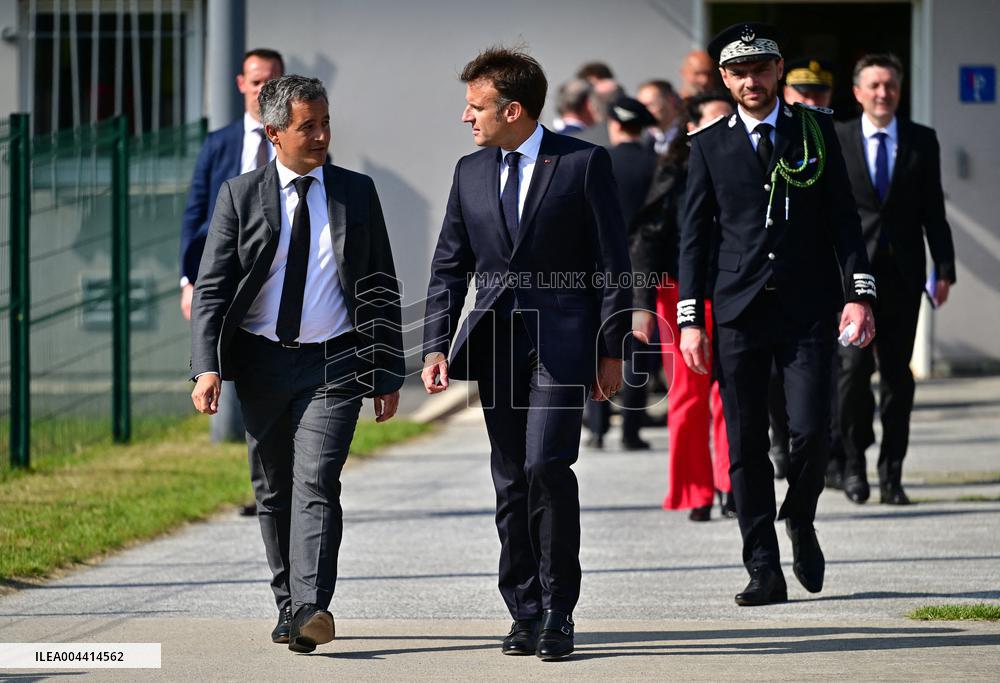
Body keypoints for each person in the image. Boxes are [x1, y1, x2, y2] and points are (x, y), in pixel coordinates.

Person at [421, 47, 631, 660]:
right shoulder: (470, 172)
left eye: (476, 106)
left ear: (514, 110)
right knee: (510, 478)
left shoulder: (583, 163)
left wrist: (612, 348)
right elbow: (449, 267)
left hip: (563, 348)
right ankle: (523, 608)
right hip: (495, 346)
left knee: (546, 467)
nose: (467, 117)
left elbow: (612, 263)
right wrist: (435, 343)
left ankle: (559, 609)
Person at [190, 75, 404, 653]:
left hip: (336, 362)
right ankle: (288, 602)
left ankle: (312, 606)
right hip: (260, 362)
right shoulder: (240, 195)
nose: (321, 135)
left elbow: (381, 282)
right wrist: (205, 365)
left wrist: (387, 372)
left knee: (317, 481)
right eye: (307, 126)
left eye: (325, 123)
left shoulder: (355, 193)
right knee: (273, 489)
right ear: (274, 133)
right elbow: (212, 287)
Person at [678, 23, 876, 606]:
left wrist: (859, 294)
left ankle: (801, 517)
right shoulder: (708, 144)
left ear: (779, 69)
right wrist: (692, 320)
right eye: (738, 72)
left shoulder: (816, 131)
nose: (751, 81)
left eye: (761, 69)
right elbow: (693, 240)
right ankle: (763, 566)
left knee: (812, 429)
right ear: (724, 79)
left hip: (807, 308)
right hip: (738, 310)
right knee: (744, 443)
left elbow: (844, 218)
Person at [835, 53, 957, 506]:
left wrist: (944, 268)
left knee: (896, 379)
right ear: (858, 92)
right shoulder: (839, 137)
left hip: (903, 276)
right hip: (851, 277)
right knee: (850, 372)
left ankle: (891, 475)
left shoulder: (922, 140)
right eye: (875, 85)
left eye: (890, 85)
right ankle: (851, 465)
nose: (883, 93)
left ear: (899, 91)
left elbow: (934, 212)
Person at [180, 49, 284, 492]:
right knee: (228, 367)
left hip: (277, 274)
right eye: (257, 81)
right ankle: (265, 481)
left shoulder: (300, 141)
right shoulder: (219, 143)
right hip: (226, 274)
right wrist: (190, 282)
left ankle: (274, 480)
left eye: (273, 81)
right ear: (241, 83)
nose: (264, 90)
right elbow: (195, 213)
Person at [632, 91, 736, 522]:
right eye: (712, 122)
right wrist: (640, 304)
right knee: (689, 399)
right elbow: (647, 241)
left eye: (729, 122)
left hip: (735, 293)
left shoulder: (752, 169)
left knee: (733, 397)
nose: (722, 131)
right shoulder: (673, 171)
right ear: (691, 128)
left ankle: (732, 484)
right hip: (679, 295)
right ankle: (696, 489)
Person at [769, 57, 842, 487]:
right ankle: (781, 441)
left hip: (820, 279)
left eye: (819, 93)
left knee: (828, 374)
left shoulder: (829, 134)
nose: (811, 100)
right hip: (768, 282)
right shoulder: (772, 133)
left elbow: (842, 213)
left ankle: (829, 455)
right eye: (803, 92)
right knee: (775, 377)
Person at [583, 96, 658, 451]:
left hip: (600, 263)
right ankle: (631, 429)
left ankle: (597, 428)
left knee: (599, 339)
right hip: (643, 262)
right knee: (638, 346)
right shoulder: (655, 163)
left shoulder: (598, 161)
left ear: (614, 124)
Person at [636, 79, 681, 154]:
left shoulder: (688, 133)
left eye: (650, 105)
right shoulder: (643, 138)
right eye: (642, 107)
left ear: (670, 100)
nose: (645, 112)